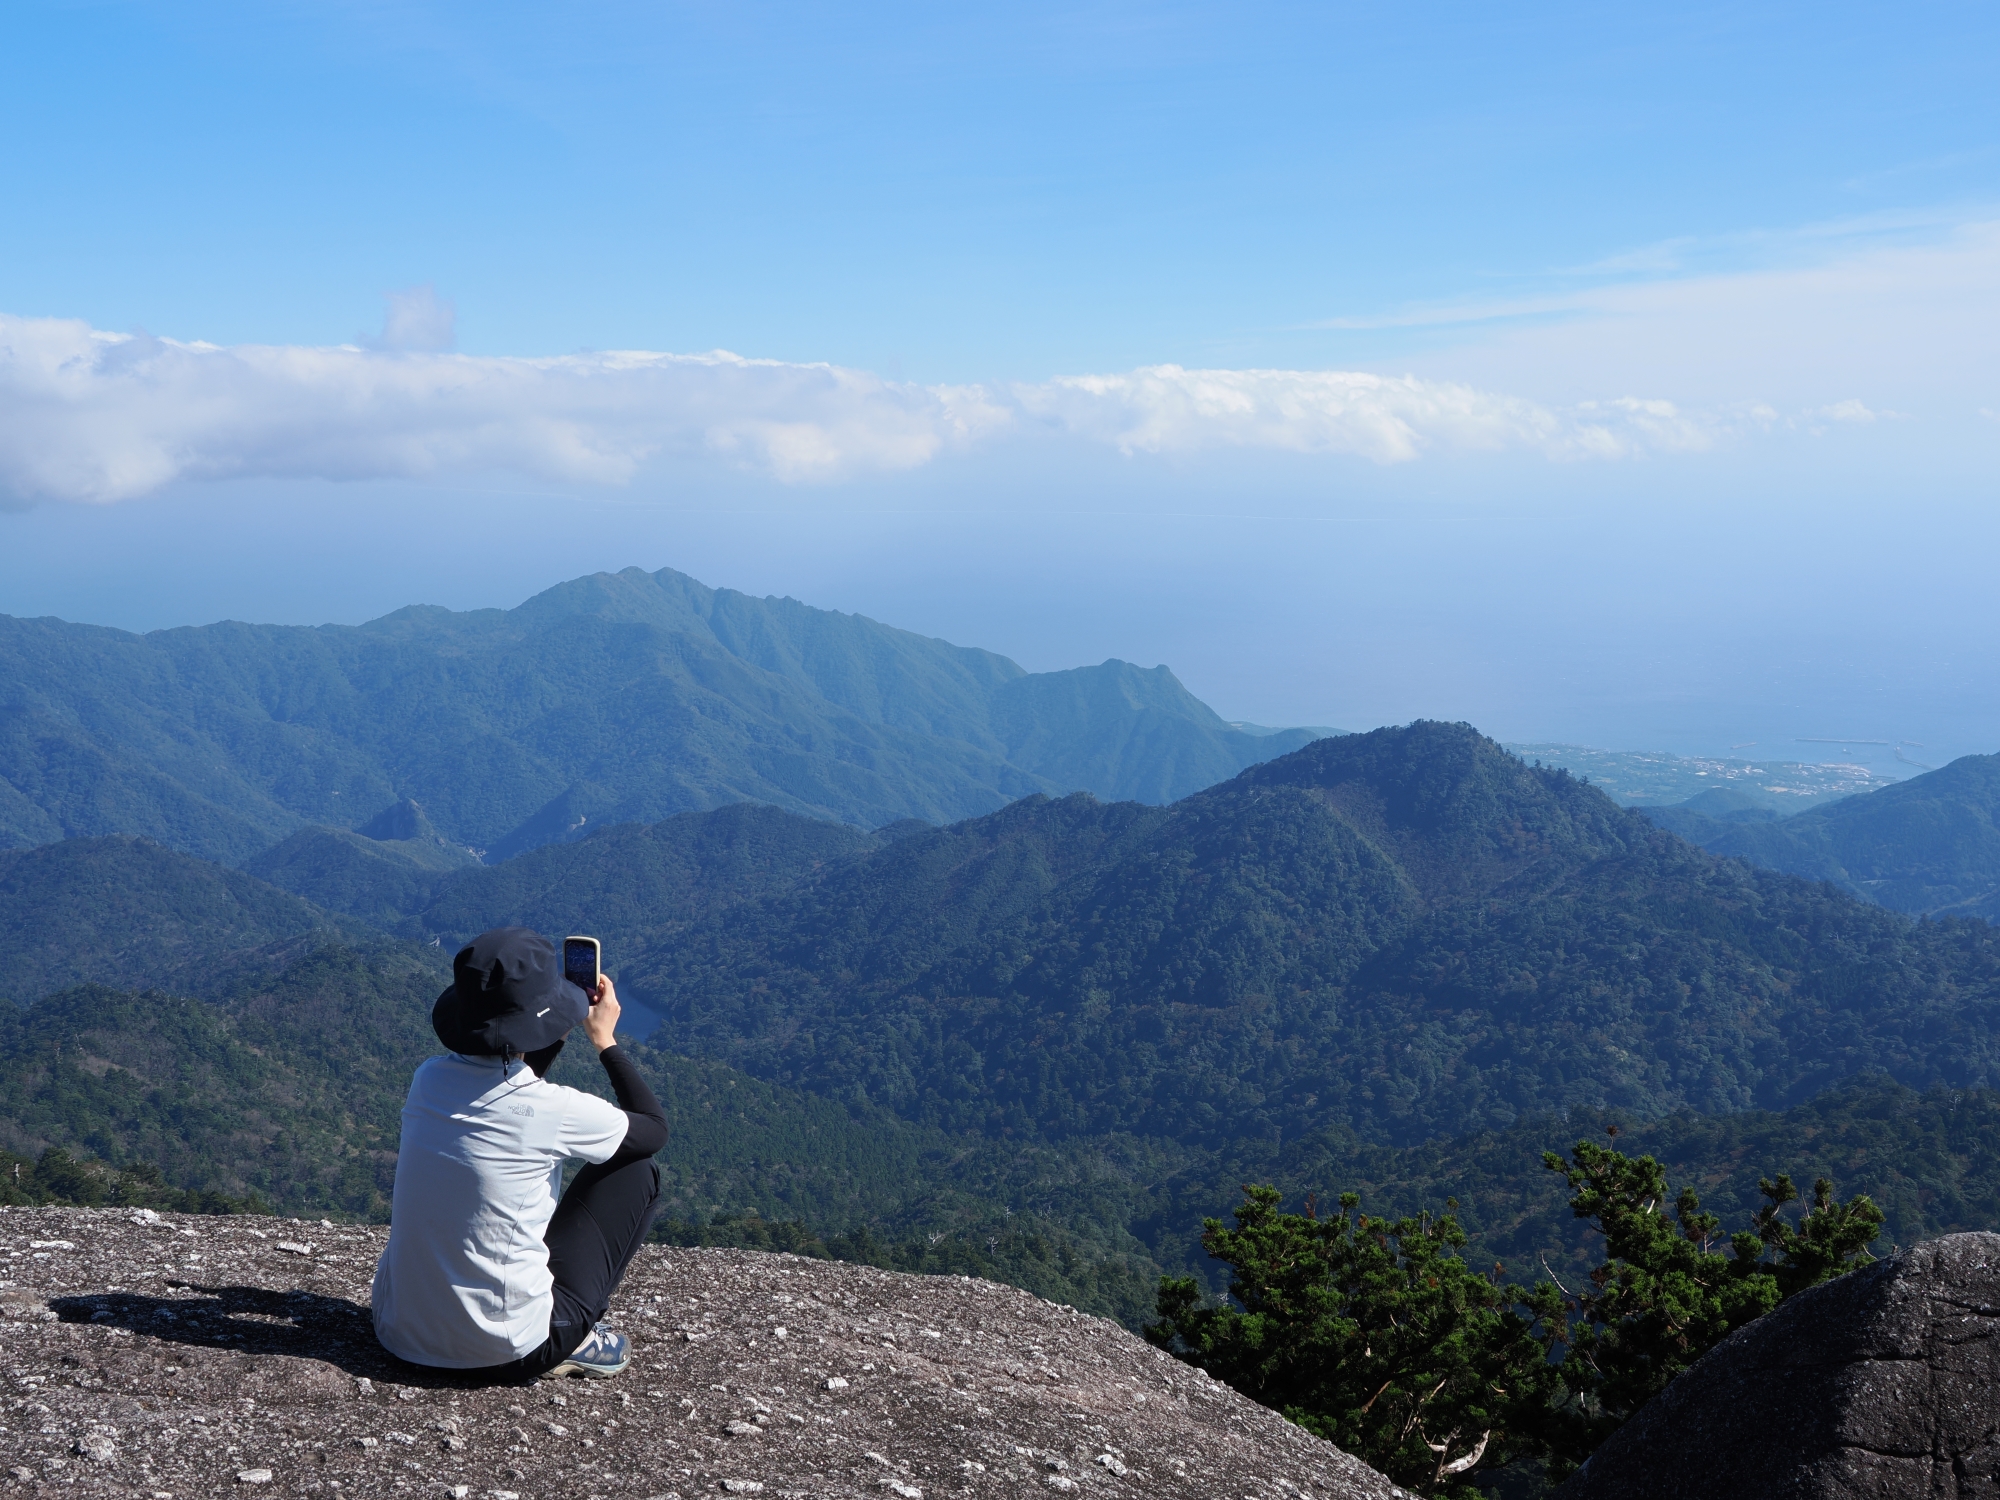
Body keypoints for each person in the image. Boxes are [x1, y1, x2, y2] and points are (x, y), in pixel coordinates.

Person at [371, 927, 666, 1378]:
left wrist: (554, 1026)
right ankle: (577, 1332)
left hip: (396, 1333)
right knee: (636, 1171)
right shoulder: (552, 1109)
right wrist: (605, 1041)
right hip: (510, 1350)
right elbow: (652, 1131)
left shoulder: (428, 1079)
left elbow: (506, 1076)